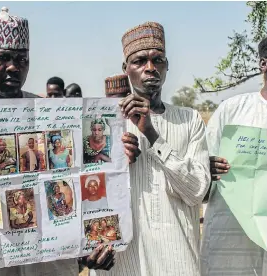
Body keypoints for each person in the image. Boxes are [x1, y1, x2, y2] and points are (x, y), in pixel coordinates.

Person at [0, 7, 116, 275]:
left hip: (47, 263)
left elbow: (81, 180)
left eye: (22, 60)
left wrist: (89, 243)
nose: (13, 67)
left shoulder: (51, 116)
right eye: (3, 58)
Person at [95, 22, 210, 276]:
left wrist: (151, 133)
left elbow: (197, 191)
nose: (150, 68)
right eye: (139, 61)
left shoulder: (189, 120)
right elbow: (88, 193)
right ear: (125, 69)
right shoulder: (104, 123)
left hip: (177, 262)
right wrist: (112, 160)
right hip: (123, 265)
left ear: (167, 66)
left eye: (158, 60)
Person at [201, 37, 267, 276]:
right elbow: (202, 175)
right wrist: (206, 169)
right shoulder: (233, 110)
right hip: (230, 237)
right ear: (263, 63)